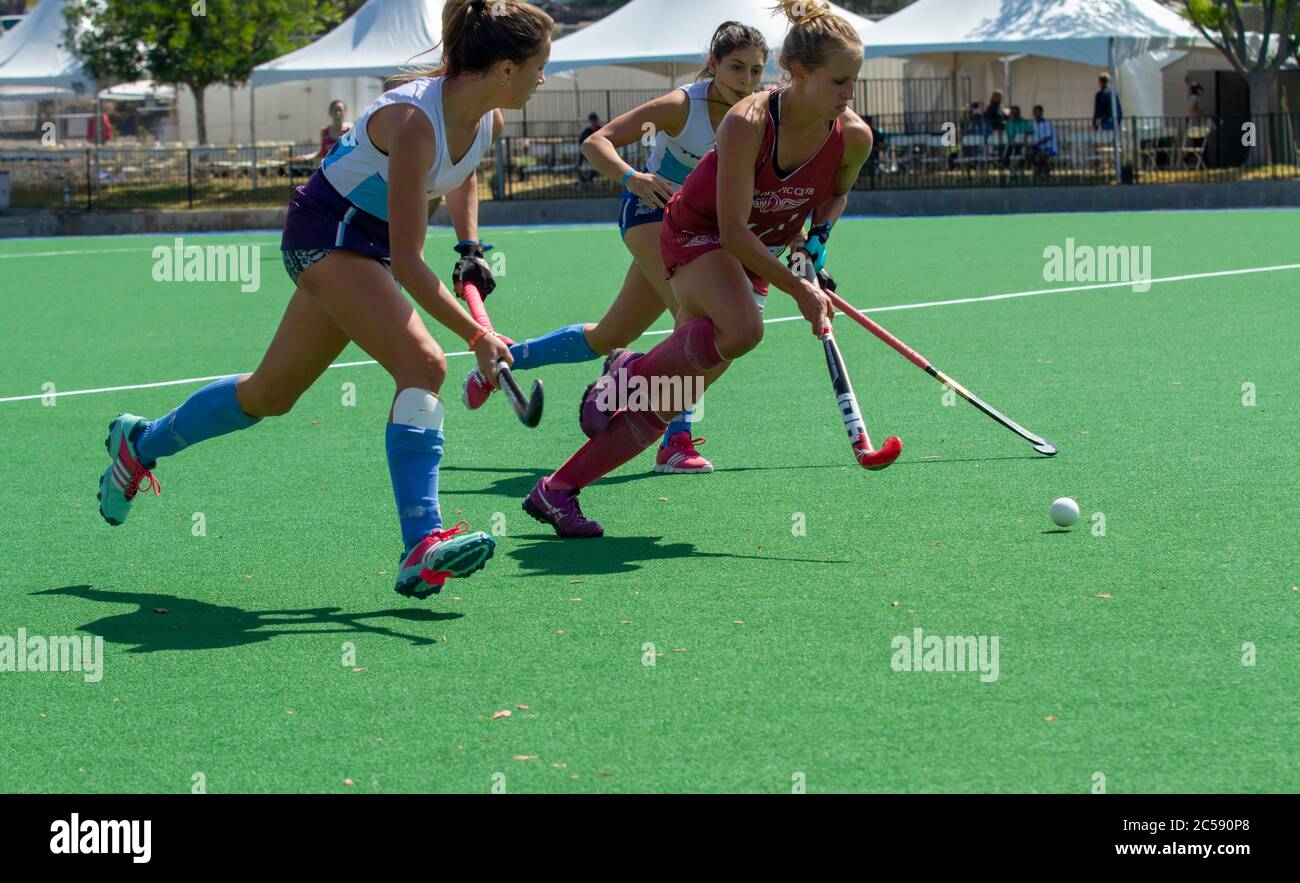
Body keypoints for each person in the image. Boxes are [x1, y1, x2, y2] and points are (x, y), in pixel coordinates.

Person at [96, 0, 553, 600]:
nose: (544, 78)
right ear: (503, 69)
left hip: (370, 247)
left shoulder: (486, 116)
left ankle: (140, 444)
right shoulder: (415, 121)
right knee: (425, 364)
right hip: (326, 235)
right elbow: (412, 264)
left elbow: (462, 171)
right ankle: (422, 543)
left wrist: (468, 242)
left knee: (270, 395)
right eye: (539, 65)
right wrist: (476, 335)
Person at [521, 0, 871, 538]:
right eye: (840, 81)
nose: (850, 93)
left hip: (759, 253)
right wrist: (800, 289)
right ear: (798, 74)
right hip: (698, 232)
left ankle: (558, 490)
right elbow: (730, 230)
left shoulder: (854, 136)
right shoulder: (748, 121)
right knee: (743, 329)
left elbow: (832, 200)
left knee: (679, 391)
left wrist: (813, 248)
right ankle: (625, 376)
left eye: (855, 80)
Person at [464, 21, 769, 476]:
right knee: (698, 324)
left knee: (610, 335)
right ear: (713, 64)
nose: (746, 80)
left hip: (698, 231)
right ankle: (675, 441)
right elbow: (595, 142)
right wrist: (634, 177)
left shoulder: (760, 113)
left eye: (756, 70)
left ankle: (503, 361)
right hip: (651, 215)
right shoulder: (682, 106)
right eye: (736, 67)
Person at [1028, 104, 1057, 177]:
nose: (1036, 114)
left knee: (1041, 154)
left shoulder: (1046, 123)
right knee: (1028, 154)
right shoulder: (1033, 124)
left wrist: (1035, 144)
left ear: (1041, 113)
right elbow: (1031, 135)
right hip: (1037, 146)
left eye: (1038, 112)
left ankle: (1043, 168)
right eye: (1035, 112)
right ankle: (1043, 167)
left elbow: (1047, 138)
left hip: (1048, 146)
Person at [1004, 104, 1032, 171]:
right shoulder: (1008, 123)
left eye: (1016, 113)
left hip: (1023, 144)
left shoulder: (1025, 122)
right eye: (1013, 113)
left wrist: (1023, 135)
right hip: (1011, 143)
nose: (1014, 115)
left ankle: (1019, 164)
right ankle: (1006, 164)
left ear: (1019, 113)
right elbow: (1007, 134)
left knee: (1017, 147)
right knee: (1008, 147)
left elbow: (1030, 132)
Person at [576, 111, 601, 182]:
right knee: (578, 165)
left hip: (597, 152)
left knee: (596, 165)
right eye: (591, 120)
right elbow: (580, 140)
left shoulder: (600, 129)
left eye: (594, 120)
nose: (593, 122)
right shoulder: (586, 131)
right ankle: (583, 180)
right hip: (587, 152)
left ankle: (591, 178)